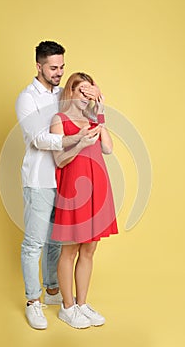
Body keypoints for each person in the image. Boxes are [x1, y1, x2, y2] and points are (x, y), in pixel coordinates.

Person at [15, 41, 101, 329]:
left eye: (62, 67)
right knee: (34, 243)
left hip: (65, 182)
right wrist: (73, 139)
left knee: (58, 242)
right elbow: (39, 139)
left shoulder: (62, 95)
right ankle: (33, 301)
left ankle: (54, 291)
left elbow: (84, 115)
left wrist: (97, 98)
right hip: (40, 180)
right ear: (38, 66)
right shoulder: (27, 98)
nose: (59, 72)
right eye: (53, 67)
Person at [50, 72, 118, 329]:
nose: (85, 98)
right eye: (82, 92)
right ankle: (67, 307)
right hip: (74, 193)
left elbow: (108, 149)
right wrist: (79, 143)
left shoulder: (93, 120)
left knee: (89, 248)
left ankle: (81, 303)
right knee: (70, 250)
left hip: (97, 190)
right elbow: (59, 159)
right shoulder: (60, 119)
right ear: (70, 91)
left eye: (90, 93)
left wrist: (100, 116)